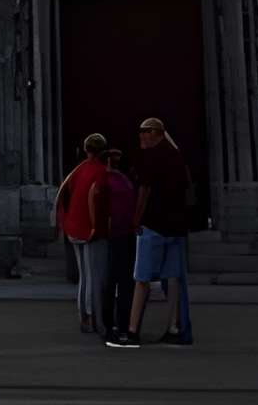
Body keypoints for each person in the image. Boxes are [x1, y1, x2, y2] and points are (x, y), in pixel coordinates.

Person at [106, 116, 193, 350]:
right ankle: (175, 328)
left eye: (145, 134)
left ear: (155, 134)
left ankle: (131, 332)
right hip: (176, 226)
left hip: (153, 224)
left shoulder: (151, 157)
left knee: (141, 278)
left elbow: (145, 189)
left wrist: (135, 220)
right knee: (173, 279)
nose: (141, 138)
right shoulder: (177, 156)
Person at [54, 132, 113, 337]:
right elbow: (95, 197)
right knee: (93, 275)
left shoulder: (78, 170)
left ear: (87, 150)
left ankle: (83, 316)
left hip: (74, 227)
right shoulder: (101, 171)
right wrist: (96, 227)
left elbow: (65, 193)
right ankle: (91, 316)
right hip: (89, 229)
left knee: (83, 275)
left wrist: (64, 221)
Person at [103, 147, 138, 343]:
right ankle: (116, 324)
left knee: (118, 281)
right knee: (118, 281)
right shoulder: (118, 180)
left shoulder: (118, 179)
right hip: (119, 234)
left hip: (121, 233)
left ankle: (116, 324)